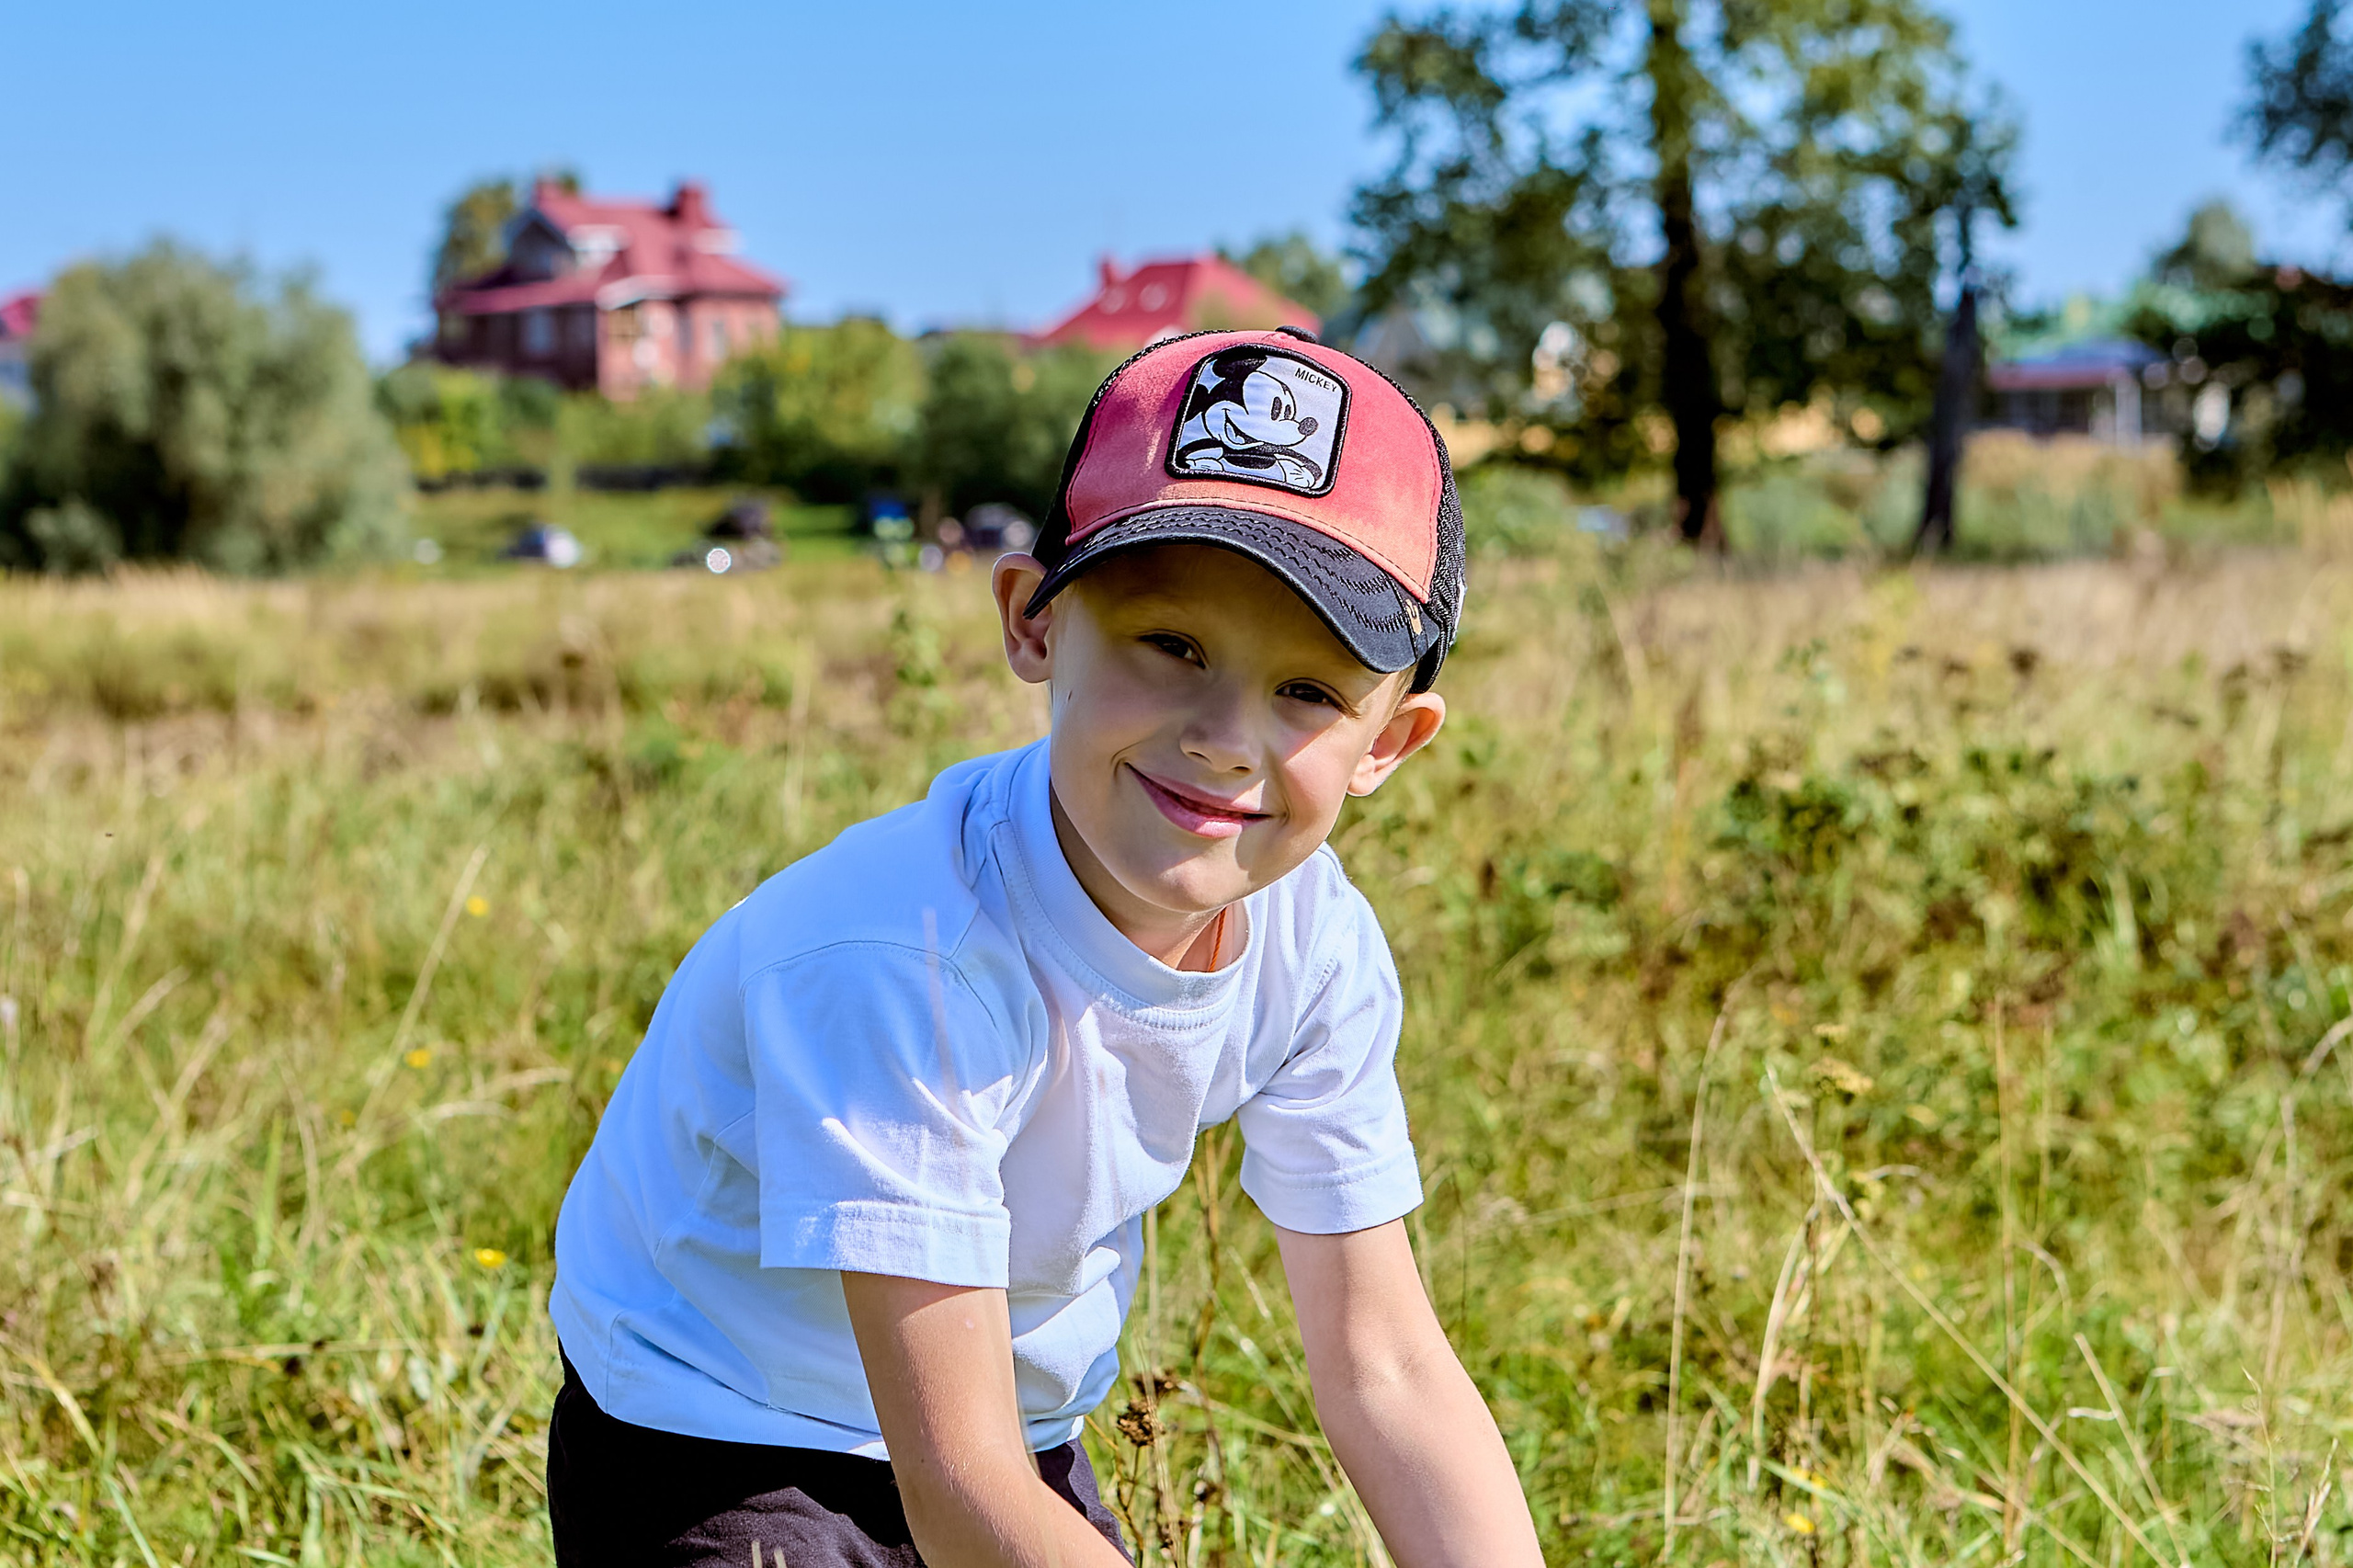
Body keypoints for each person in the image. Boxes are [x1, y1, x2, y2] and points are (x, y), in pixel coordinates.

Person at [545, 328, 1545, 1568]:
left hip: (1007, 1422)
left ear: (1390, 744)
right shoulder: (900, 949)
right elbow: (957, 1485)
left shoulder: (1314, 942)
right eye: (1172, 645)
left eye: (1309, 692)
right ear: (1034, 622)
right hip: (720, 1425)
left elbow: (1383, 1363)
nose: (1227, 739)